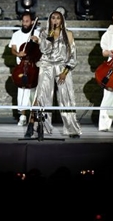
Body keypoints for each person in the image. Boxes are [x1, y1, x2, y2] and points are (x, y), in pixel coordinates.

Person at [26, 10, 81, 139]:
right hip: (46, 66)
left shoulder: (68, 34)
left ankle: (72, 129)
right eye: (53, 18)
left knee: (66, 97)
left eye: (58, 18)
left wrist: (65, 71)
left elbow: (73, 55)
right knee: (42, 95)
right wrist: (47, 37)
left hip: (62, 67)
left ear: (62, 20)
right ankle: (39, 128)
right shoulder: (44, 33)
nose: (55, 20)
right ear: (50, 20)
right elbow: (44, 50)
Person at [8, 11, 41, 126]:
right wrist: (18, 53)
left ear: (32, 22)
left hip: (35, 65)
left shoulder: (37, 33)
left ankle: (34, 116)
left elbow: (43, 49)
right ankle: (22, 116)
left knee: (34, 92)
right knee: (21, 91)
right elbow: (13, 49)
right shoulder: (16, 35)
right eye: (23, 21)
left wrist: (38, 41)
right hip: (21, 66)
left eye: (27, 21)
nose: (25, 23)